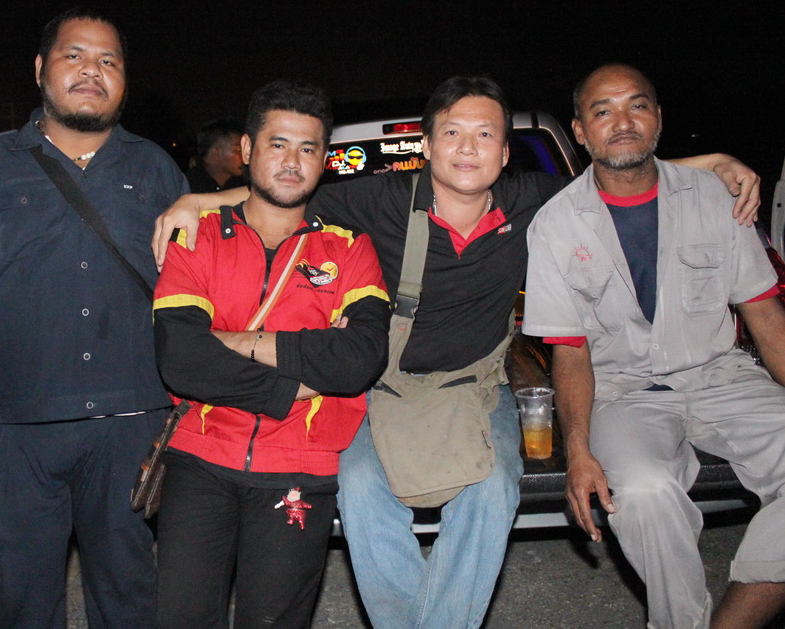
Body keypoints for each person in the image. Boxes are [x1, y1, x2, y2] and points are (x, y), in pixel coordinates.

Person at [153, 76, 761, 628]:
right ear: (426, 146)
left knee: (492, 490)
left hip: (477, 386)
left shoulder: (532, 201)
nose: (468, 148)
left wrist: (714, 163)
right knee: (361, 490)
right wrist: (196, 202)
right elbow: (284, 193)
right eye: (451, 133)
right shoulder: (380, 200)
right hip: (384, 388)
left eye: (485, 135)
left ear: (505, 153)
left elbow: (623, 171)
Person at [0, 7, 188, 628]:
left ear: (124, 80)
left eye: (108, 61)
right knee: (17, 599)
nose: (92, 71)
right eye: (75, 56)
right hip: (15, 430)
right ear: (41, 69)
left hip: (132, 426)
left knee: (132, 597)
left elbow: (198, 285)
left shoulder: (155, 169)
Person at [523, 63, 785, 629]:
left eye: (636, 106)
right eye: (603, 111)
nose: (622, 122)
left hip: (722, 377)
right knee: (641, 492)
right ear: (580, 131)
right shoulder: (555, 224)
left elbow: (765, 316)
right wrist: (578, 451)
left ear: (659, 118)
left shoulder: (716, 197)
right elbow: (570, 351)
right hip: (622, 393)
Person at [153, 80, 390, 628]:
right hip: (200, 457)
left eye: (308, 148)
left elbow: (359, 358)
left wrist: (230, 340)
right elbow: (180, 357)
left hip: (300, 466)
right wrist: (292, 386)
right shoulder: (198, 237)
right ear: (246, 149)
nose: (292, 161)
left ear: (324, 160)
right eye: (277, 144)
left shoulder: (350, 248)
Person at [186, 118, 246, 192]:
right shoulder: (188, 187)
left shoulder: (242, 185)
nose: (245, 156)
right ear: (216, 153)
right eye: (238, 150)